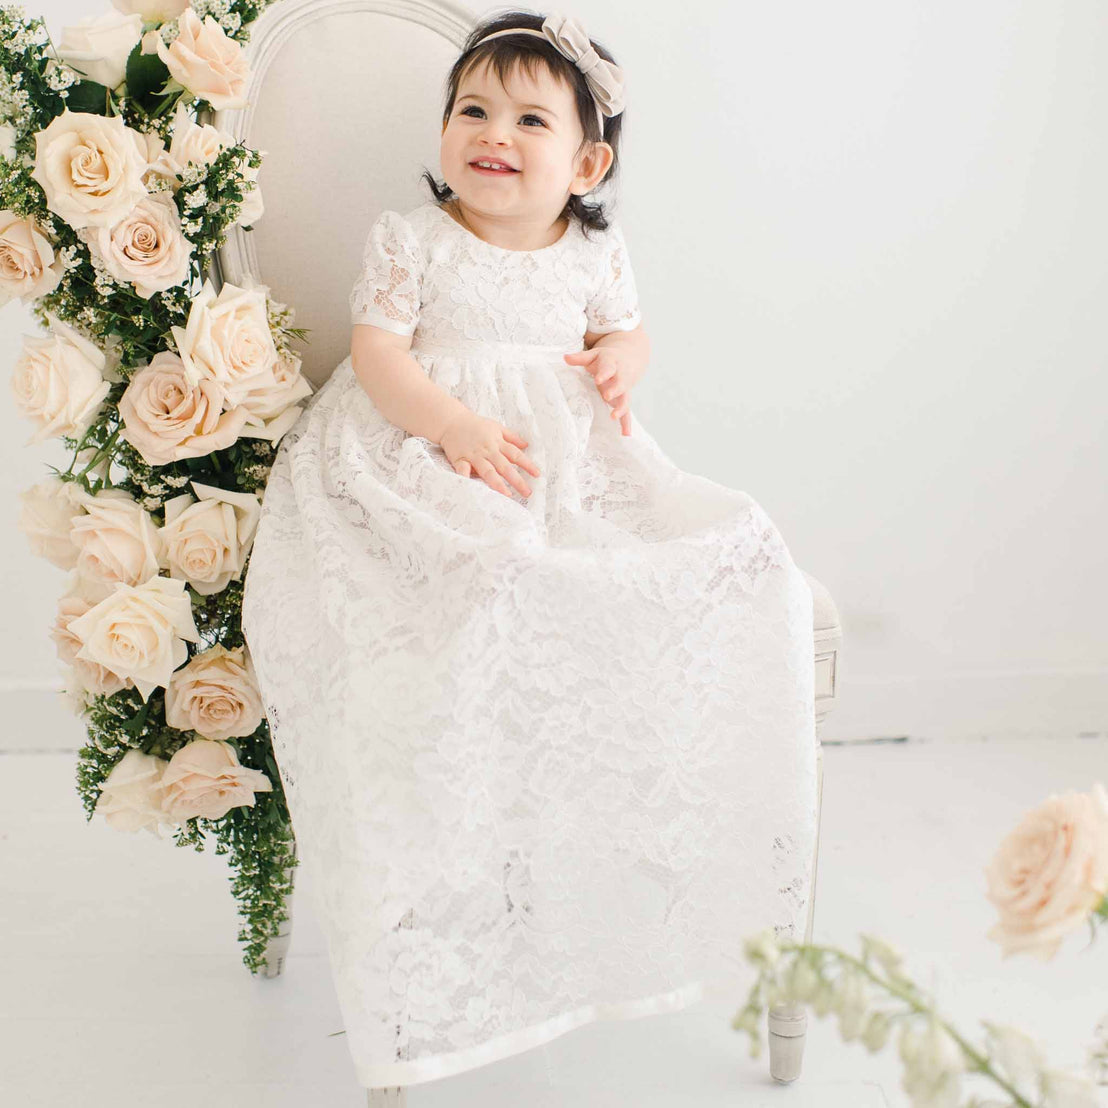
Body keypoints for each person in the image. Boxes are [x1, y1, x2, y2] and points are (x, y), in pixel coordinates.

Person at [240, 8, 819, 1097]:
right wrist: (446, 424)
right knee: (491, 567)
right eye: (472, 109)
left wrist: (620, 364)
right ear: (444, 127)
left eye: (527, 118)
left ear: (585, 160)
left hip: (564, 456)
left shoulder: (595, 248)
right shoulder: (412, 237)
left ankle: (624, 872)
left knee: (700, 548)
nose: (491, 133)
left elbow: (625, 331)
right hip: (416, 455)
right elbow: (376, 355)